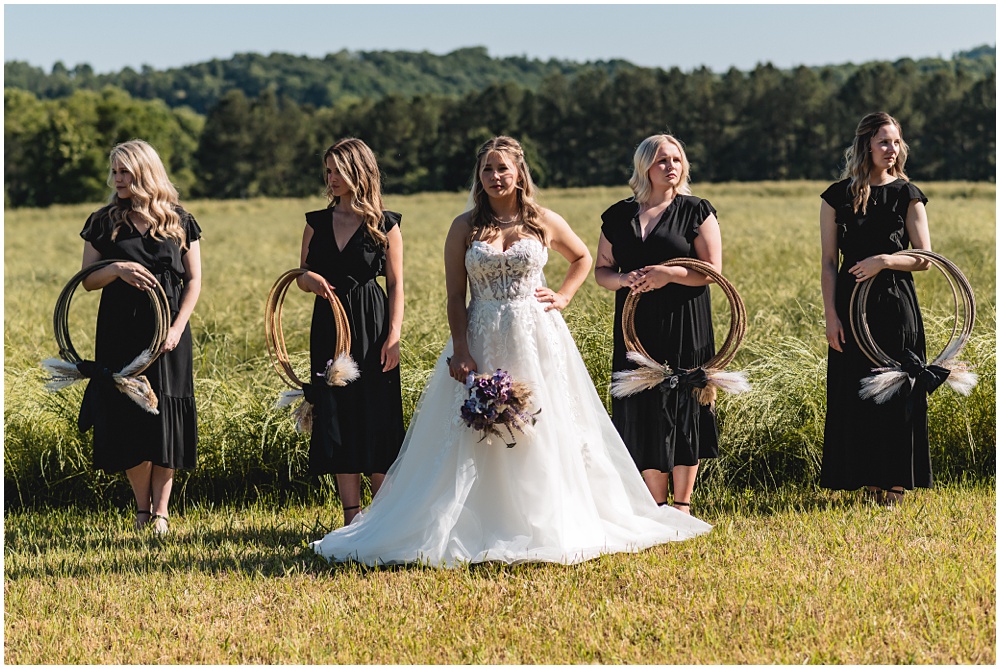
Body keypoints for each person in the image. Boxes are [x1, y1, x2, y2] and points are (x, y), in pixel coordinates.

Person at [310, 136, 710, 567]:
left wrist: (563, 296)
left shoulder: (541, 220)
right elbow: (454, 296)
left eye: (503, 169)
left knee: (540, 424)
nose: (495, 177)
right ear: (478, 178)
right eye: (487, 170)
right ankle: (472, 518)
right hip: (481, 334)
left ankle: (542, 518)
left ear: (519, 173)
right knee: (473, 430)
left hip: (535, 336)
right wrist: (461, 349)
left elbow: (581, 258)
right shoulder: (464, 227)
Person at [594, 134, 722, 515]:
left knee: (684, 405)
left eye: (677, 160)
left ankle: (681, 506)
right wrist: (623, 280)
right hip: (636, 326)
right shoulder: (618, 216)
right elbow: (602, 271)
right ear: (645, 167)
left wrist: (670, 273)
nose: (672, 167)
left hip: (685, 321)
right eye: (663, 161)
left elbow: (712, 271)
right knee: (644, 409)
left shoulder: (697, 210)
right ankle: (655, 504)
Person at [79, 139, 202, 534]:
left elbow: (194, 280)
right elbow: (86, 281)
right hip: (120, 332)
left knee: (165, 415)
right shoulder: (103, 221)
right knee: (131, 417)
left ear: (144, 173)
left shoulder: (180, 220)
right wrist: (117, 269)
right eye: (114, 172)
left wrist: (178, 326)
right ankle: (141, 509)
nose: (117, 179)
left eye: (124, 172)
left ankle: (162, 511)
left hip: (169, 333)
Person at [819, 112, 932, 504]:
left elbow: (925, 258)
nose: (892, 149)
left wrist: (884, 260)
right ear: (866, 144)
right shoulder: (837, 196)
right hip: (851, 308)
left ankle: (896, 484)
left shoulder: (907, 194)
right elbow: (828, 263)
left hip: (896, 304)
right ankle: (869, 482)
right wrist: (831, 317)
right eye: (884, 141)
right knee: (858, 392)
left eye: (896, 141)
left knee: (897, 390)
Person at [297, 138, 405, 527]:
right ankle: (351, 518)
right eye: (328, 170)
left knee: (376, 412)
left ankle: (385, 516)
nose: (332, 178)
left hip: (372, 323)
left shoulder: (385, 224)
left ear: (360, 171)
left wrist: (393, 335)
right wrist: (312, 282)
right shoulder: (316, 222)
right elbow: (301, 275)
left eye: (339, 170)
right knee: (336, 413)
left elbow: (396, 284)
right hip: (329, 324)